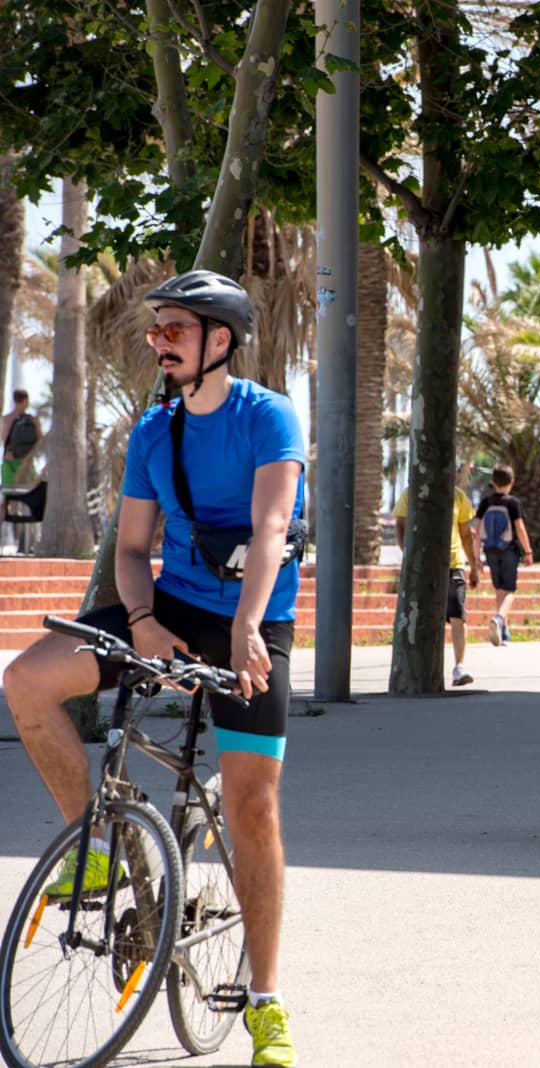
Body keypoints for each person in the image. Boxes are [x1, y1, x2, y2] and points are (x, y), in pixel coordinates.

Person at [2, 270, 303, 1066]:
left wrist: (245, 632)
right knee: (27, 681)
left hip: (254, 619)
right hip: (165, 611)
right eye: (155, 330)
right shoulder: (152, 431)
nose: (159, 342)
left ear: (220, 339)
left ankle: (266, 1002)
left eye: (175, 329)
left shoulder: (267, 416)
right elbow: (132, 552)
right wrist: (143, 623)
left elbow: (272, 528)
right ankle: (98, 848)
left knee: (252, 806)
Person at [394, 461, 480, 685]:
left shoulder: (458, 497)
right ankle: (422, 669)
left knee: (458, 616)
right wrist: (408, 554)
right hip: (422, 564)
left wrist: (473, 566)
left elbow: (466, 535)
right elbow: (400, 526)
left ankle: (459, 667)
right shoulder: (410, 494)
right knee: (425, 616)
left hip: (454, 563)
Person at [473, 464, 532, 646]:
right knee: (510, 591)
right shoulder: (512, 503)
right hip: (509, 550)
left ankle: (504, 632)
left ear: (493, 482)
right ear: (511, 483)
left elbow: (477, 532)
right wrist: (528, 551)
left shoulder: (485, 502)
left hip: (490, 550)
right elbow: (520, 528)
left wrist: (476, 559)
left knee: (499, 589)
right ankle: (499, 619)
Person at [1, 389, 41, 485]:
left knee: (9, 495)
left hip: (9, 460)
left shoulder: (5, 419)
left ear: (14, 401)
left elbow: (3, 439)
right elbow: (40, 440)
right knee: (30, 494)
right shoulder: (34, 420)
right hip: (26, 462)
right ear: (26, 401)